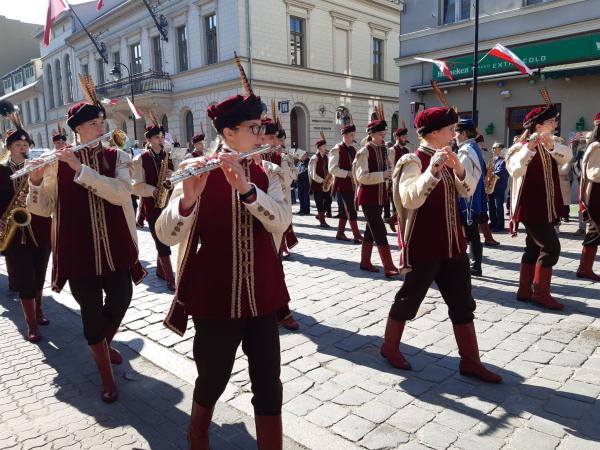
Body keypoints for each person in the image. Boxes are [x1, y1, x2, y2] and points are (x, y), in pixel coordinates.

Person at [156, 91, 290, 450]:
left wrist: (247, 190)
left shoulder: (268, 172)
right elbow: (164, 233)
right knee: (213, 377)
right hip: (215, 295)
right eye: (254, 127)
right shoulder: (193, 170)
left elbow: (282, 221)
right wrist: (186, 200)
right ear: (229, 133)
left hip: (262, 291)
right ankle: (197, 433)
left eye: (261, 126)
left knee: (268, 382)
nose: (262, 134)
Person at [27, 78, 146, 403]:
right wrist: (36, 182)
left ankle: (103, 345)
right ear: (78, 130)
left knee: (122, 298)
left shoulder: (117, 156)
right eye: (94, 123)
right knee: (90, 314)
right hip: (78, 252)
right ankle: (106, 376)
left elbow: (122, 194)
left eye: (101, 122)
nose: (101, 126)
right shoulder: (54, 163)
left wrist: (81, 169)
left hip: (115, 248)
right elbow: (43, 208)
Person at [385, 106, 501, 383]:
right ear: (434, 132)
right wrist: (433, 170)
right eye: (450, 130)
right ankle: (389, 347)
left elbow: (468, 190)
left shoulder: (450, 157)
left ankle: (471, 362)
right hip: (425, 246)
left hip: (454, 246)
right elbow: (410, 198)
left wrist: (458, 167)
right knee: (409, 298)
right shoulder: (412, 160)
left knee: (462, 302)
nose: (454, 134)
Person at [507, 99, 570, 310]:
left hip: (548, 205)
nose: (555, 125)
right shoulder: (519, 148)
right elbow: (515, 170)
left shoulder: (553, 143)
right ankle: (540, 294)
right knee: (551, 248)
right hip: (531, 207)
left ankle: (524, 291)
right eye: (551, 121)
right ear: (538, 126)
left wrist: (550, 145)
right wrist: (530, 148)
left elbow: (566, 158)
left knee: (533, 248)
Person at [0, 102, 52, 342]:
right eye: (18, 145)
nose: (23, 148)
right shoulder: (0, 171)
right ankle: (32, 325)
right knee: (24, 279)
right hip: (13, 231)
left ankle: (39, 311)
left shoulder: (37, 167)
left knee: (40, 274)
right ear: (9, 148)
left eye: (25, 145)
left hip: (39, 227)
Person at [132, 121, 176, 291]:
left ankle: (160, 269)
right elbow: (135, 184)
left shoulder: (168, 155)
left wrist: (172, 175)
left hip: (168, 202)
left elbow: (177, 177)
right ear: (149, 140)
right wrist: (152, 190)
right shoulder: (140, 159)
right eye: (157, 137)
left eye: (162, 137)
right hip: (152, 204)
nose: (161, 140)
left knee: (165, 236)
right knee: (160, 239)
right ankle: (170, 278)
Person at [353, 113, 399, 277]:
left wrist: (388, 174)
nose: (383, 136)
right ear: (371, 134)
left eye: (384, 133)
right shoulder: (364, 152)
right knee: (379, 230)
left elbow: (386, 173)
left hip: (380, 197)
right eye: (380, 134)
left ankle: (365, 262)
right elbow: (361, 177)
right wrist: (382, 174)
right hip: (368, 198)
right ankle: (388, 266)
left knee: (370, 231)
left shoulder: (384, 150)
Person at [455, 119, 487, 277]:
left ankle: (473, 265)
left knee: (469, 233)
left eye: (456, 132)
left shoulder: (466, 150)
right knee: (473, 233)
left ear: (463, 133)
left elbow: (462, 178)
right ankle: (475, 264)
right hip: (473, 197)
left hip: (467, 199)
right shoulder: (473, 147)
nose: (454, 136)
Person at [328, 123, 363, 243]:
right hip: (342, 185)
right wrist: (348, 173)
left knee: (344, 210)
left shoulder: (353, 149)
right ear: (345, 135)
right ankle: (357, 235)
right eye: (351, 135)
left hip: (352, 184)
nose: (353, 137)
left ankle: (340, 233)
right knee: (351, 210)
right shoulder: (336, 149)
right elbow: (332, 169)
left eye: (353, 135)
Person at [577, 113, 600, 281]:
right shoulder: (596, 146)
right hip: (596, 194)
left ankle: (584, 268)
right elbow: (594, 173)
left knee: (595, 231)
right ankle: (584, 268)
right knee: (595, 230)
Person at [385, 124, 411, 232]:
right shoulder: (392, 150)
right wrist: (390, 182)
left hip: (405, 181)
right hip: (395, 182)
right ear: (397, 137)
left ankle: (393, 220)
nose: (405, 138)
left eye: (406, 136)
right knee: (397, 205)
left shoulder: (407, 150)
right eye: (403, 137)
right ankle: (397, 223)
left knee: (404, 204)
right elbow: (390, 167)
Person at [309, 137, 331, 228]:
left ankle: (320, 215)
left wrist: (329, 181)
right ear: (319, 147)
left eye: (325, 145)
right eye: (323, 146)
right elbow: (312, 174)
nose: (325, 147)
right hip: (317, 185)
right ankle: (322, 221)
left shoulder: (326, 157)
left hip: (326, 184)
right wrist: (323, 181)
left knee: (328, 201)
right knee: (319, 203)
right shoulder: (314, 158)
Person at [488, 143, 509, 231]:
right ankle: (493, 223)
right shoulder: (494, 159)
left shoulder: (504, 160)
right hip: (492, 186)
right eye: (492, 148)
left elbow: (501, 172)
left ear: (500, 149)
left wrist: (489, 174)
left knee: (498, 206)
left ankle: (500, 225)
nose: (492, 149)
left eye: (494, 148)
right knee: (491, 206)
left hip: (499, 186)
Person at [296, 150, 310, 215]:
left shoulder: (309, 162)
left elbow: (306, 171)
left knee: (305, 197)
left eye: (303, 155)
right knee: (300, 196)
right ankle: (302, 209)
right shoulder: (300, 163)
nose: (301, 156)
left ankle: (306, 210)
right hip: (300, 181)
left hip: (306, 182)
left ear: (306, 156)